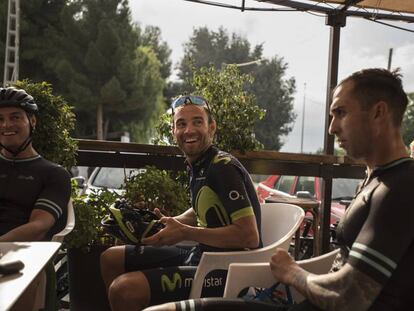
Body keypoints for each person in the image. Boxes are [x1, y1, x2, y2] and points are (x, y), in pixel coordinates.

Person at [145, 68, 414, 311]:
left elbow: (351, 297)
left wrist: (293, 272)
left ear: (379, 113)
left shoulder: (400, 187)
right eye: (332, 116)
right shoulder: (380, 180)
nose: (332, 127)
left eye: (341, 113)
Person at [100, 95, 262, 311]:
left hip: (225, 267)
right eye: (181, 124)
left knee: (124, 289)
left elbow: (249, 236)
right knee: (110, 258)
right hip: (201, 253)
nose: (189, 131)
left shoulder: (222, 167)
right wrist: (163, 225)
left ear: (211, 127)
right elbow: (201, 211)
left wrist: (185, 232)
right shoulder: (199, 164)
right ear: (173, 132)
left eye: (197, 122)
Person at [0, 86, 71, 310]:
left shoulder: (54, 174)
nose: (6, 125)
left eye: (15, 117)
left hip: (25, 259)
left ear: (33, 121)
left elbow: (39, 226)